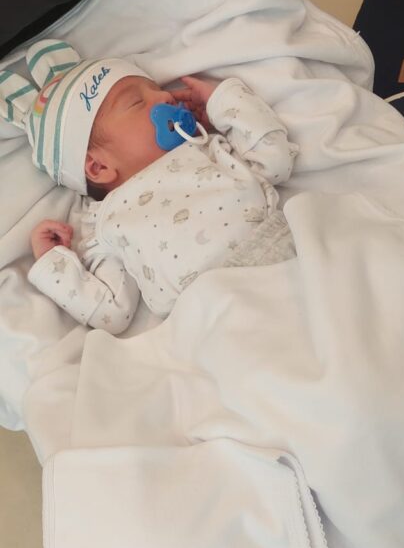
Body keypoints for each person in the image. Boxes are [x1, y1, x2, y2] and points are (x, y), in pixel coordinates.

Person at [0, 39, 298, 333]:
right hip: (207, 314)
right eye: (137, 102)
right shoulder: (104, 222)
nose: (166, 96)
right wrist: (53, 263)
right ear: (98, 167)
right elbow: (111, 313)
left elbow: (276, 161)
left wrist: (223, 103)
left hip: (281, 257)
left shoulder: (204, 148)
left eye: (157, 89)